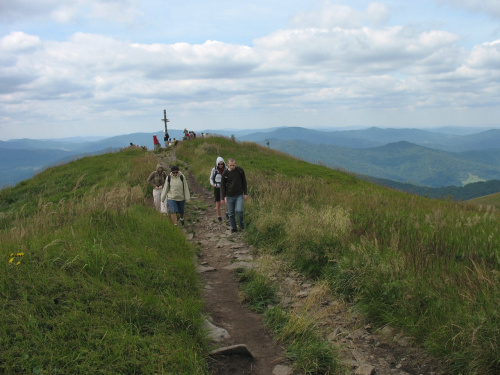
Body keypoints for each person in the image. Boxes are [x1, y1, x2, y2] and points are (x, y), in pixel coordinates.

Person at [221, 158, 248, 233]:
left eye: (233, 165)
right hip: (229, 195)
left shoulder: (240, 171)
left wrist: (245, 193)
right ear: (228, 164)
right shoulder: (225, 173)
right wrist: (223, 197)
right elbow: (223, 186)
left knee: (239, 210)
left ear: (235, 164)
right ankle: (234, 228)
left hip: (239, 194)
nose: (232, 167)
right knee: (231, 213)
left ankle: (241, 226)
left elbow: (244, 182)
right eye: (230, 165)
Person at [209, 157, 229, 223]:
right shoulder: (214, 170)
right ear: (217, 164)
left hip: (225, 187)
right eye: (219, 164)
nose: (220, 165)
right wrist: (213, 184)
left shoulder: (226, 169)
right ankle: (219, 216)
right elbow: (211, 178)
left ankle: (227, 213)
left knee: (226, 201)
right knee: (218, 203)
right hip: (217, 187)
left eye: (222, 164)